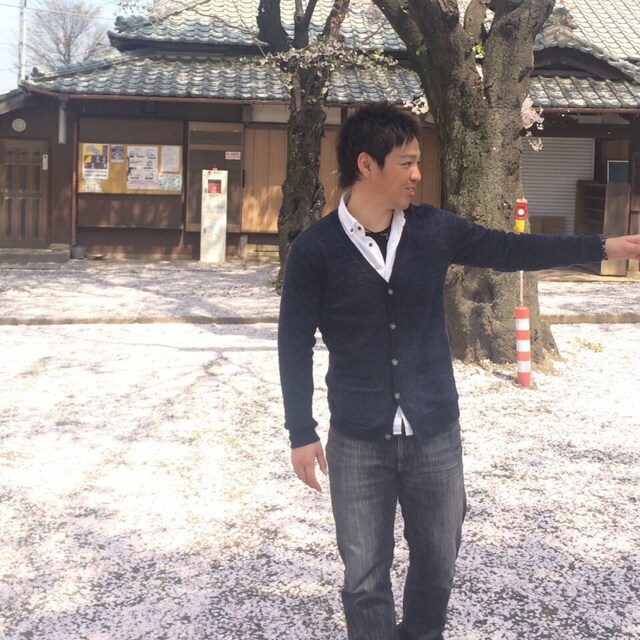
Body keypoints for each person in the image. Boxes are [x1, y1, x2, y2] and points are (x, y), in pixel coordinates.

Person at [277, 104, 640, 640]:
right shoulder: (316, 249)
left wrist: (600, 245)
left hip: (434, 432)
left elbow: (508, 248)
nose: (417, 174)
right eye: (407, 162)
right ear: (367, 164)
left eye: (418, 161)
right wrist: (300, 430)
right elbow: (293, 342)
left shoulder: (432, 229)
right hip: (357, 438)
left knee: (438, 561)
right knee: (364, 577)